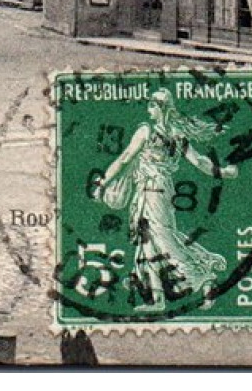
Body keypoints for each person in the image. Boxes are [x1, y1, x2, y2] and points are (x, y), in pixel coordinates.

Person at [93, 89, 237, 307]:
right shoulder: (177, 132)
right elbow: (199, 162)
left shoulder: (146, 130)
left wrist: (102, 183)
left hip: (153, 192)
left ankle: (205, 278)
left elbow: (124, 159)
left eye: (151, 104)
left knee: (164, 240)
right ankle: (157, 298)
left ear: (160, 108)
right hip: (153, 191)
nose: (148, 109)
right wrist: (222, 171)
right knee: (147, 242)